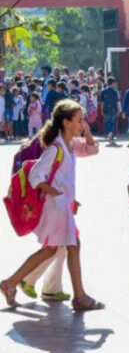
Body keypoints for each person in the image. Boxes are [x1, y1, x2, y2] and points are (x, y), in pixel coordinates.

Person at [0, 100, 103, 311]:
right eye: (79, 120)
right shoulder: (56, 148)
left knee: (52, 249)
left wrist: (87, 131)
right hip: (56, 207)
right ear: (66, 122)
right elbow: (36, 176)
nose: (82, 123)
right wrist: (58, 194)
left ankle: (11, 282)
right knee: (69, 246)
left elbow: (92, 150)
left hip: (61, 206)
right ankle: (80, 296)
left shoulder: (69, 145)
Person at [100, 78, 120, 143]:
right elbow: (117, 102)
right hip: (113, 109)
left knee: (107, 122)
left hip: (106, 109)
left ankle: (109, 133)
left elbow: (102, 102)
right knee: (112, 122)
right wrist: (118, 110)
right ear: (112, 83)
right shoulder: (115, 92)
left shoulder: (103, 91)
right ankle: (111, 134)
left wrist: (101, 110)